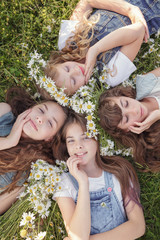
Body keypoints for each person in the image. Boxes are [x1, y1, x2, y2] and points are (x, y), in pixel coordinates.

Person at [52, 111, 145, 240]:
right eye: (71, 141)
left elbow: (138, 226)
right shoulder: (65, 183)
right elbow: (78, 236)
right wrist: (83, 184)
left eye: (85, 137)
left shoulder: (119, 172)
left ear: (97, 139)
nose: (78, 145)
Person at [43, 0, 160, 96]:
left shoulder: (67, 42)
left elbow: (87, 2)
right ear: (79, 93)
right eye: (73, 81)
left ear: (60, 61)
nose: (76, 71)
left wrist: (130, 9)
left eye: (67, 68)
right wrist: (96, 49)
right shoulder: (110, 75)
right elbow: (138, 31)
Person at [0, 87, 68, 214]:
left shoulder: (27, 174)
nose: (40, 119)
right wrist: (8, 141)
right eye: (41, 110)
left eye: (50, 123)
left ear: (50, 139)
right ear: (31, 107)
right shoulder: (4, 113)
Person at [98, 67, 160, 172]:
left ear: (124, 95)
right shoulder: (153, 141)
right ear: (126, 130)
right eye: (126, 118)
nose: (134, 111)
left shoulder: (145, 83)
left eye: (126, 103)